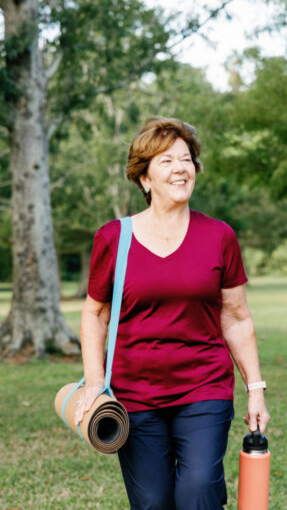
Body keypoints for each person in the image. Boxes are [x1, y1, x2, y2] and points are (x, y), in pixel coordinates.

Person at [74, 117, 270, 509]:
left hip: (204, 387)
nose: (181, 168)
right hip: (135, 394)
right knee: (153, 503)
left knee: (198, 489)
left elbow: (236, 316)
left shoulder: (219, 236)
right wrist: (95, 380)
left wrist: (255, 389)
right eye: (166, 161)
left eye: (186, 159)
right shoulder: (115, 238)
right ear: (144, 178)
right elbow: (94, 313)